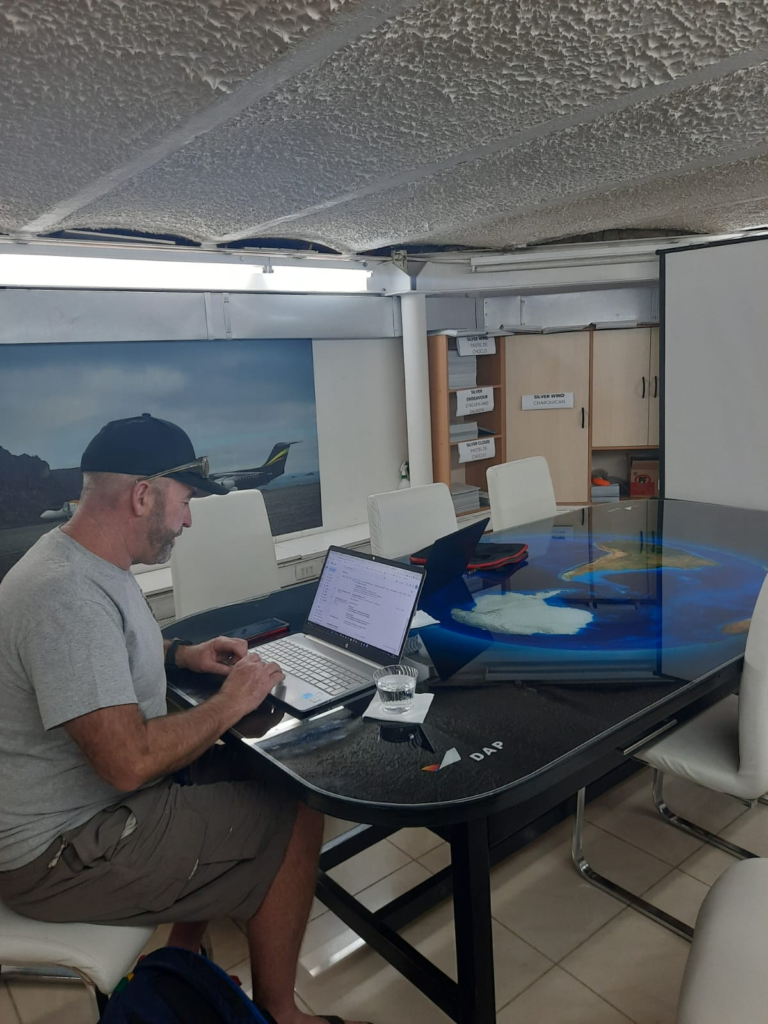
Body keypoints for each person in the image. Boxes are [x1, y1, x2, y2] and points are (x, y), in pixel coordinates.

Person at [0, 413, 368, 1024]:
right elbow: (128, 762)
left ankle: (183, 959)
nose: (189, 520)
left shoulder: (84, 562)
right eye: (186, 500)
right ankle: (281, 1014)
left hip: (85, 815)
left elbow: (108, 653)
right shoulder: (64, 595)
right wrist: (230, 703)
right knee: (293, 809)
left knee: (255, 774)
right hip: (61, 853)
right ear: (143, 496)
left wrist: (180, 655)